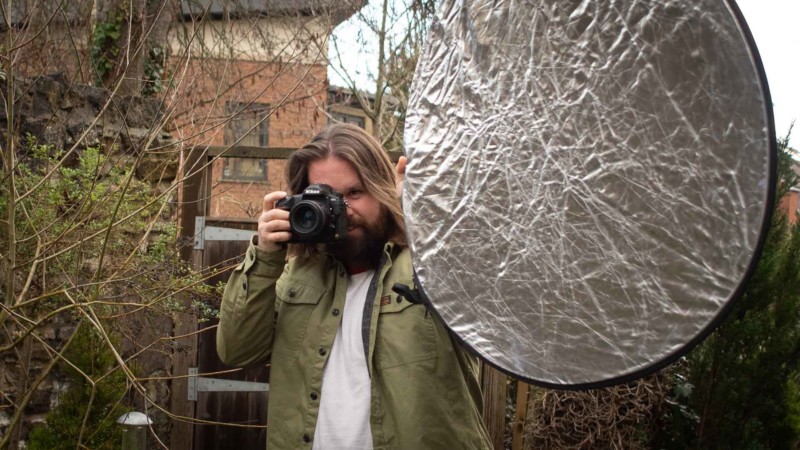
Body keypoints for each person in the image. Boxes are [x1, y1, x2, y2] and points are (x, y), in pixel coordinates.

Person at [217, 123, 492, 449]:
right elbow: (237, 350)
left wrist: (429, 215)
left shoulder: (431, 263)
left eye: (354, 193)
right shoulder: (294, 278)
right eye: (327, 196)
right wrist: (264, 257)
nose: (342, 210)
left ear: (383, 189)